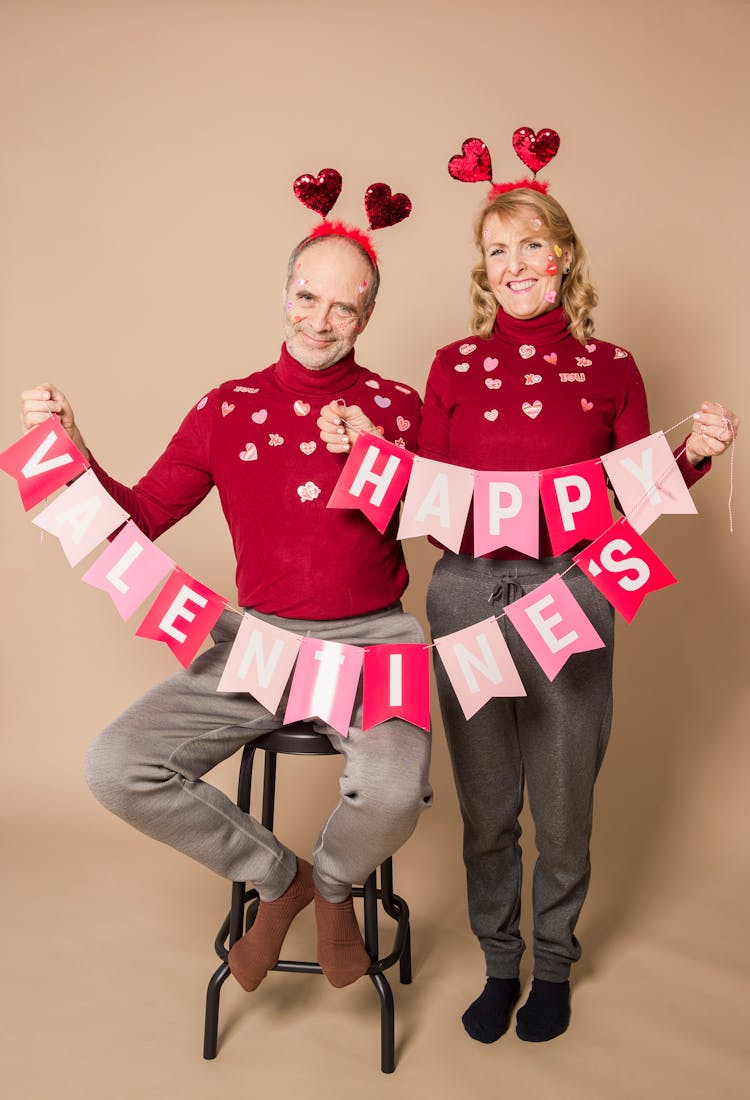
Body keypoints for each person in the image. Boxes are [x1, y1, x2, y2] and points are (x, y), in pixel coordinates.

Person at [20, 229, 432, 993]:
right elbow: (138, 514)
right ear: (285, 294)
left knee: (396, 790)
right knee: (117, 766)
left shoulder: (399, 406)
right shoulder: (227, 407)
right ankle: (281, 879)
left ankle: (336, 886)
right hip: (259, 643)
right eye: (308, 297)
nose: (320, 320)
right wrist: (75, 450)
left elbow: (451, 523)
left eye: (344, 308)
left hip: (375, 640)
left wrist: (383, 459)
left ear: (366, 318)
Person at [416, 185, 739, 1044]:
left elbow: (631, 499)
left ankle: (551, 966)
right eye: (497, 252)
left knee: (562, 802)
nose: (515, 266)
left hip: (578, 585)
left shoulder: (614, 366)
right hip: (466, 589)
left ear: (563, 254)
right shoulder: (451, 365)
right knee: (487, 804)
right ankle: (497, 961)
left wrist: (692, 456)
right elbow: (428, 495)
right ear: (483, 270)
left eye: (530, 247)